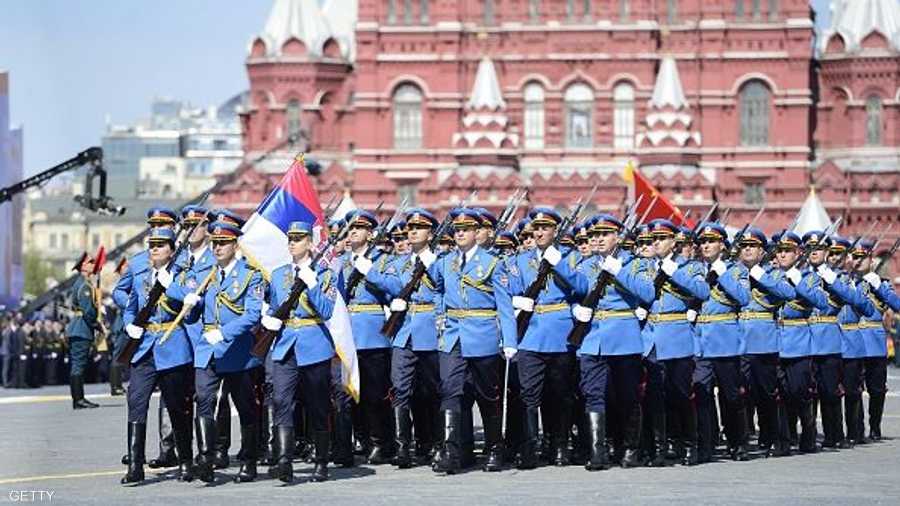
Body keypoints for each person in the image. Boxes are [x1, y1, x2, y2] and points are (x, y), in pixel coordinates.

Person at [166, 219, 264, 483]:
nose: (218, 247)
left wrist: (225, 332)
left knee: (245, 407)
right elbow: (181, 292)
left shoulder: (249, 275)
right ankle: (206, 459)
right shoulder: (206, 274)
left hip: (236, 349)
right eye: (215, 243)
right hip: (206, 348)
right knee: (204, 401)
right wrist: (188, 299)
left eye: (223, 243)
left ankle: (248, 461)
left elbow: (253, 314)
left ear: (235, 245)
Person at [423, 208, 517, 474]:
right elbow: (436, 288)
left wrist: (509, 340)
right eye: (457, 230)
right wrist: (440, 314)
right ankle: (451, 452)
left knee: (487, 396)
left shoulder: (492, 262)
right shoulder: (445, 261)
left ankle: (494, 448)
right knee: (450, 392)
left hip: (483, 334)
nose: (460, 233)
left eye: (465, 229)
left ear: (477, 233)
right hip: (452, 336)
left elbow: (504, 304)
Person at [558, 214, 654, 470]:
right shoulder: (586, 265)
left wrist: (618, 271)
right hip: (592, 338)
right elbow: (574, 291)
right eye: (594, 236)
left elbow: (648, 293)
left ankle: (630, 449)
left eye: (604, 235)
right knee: (593, 394)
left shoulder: (635, 264)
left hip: (624, 337)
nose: (597, 240)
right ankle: (597, 452)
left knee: (627, 396)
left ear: (617, 238)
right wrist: (576, 308)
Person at [356, 208, 442, 469]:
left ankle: (438, 446)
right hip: (403, 332)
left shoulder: (441, 261)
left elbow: (445, 292)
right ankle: (404, 448)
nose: (412, 232)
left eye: (418, 228)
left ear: (430, 233)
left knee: (433, 391)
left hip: (429, 330)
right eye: (409, 229)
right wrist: (371, 273)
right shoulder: (399, 263)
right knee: (400, 390)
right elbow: (393, 286)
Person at [260, 221, 337, 483]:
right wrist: (269, 319)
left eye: (299, 238)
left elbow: (326, 311)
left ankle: (321, 461)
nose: (293, 243)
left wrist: (312, 284)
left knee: (317, 405)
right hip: (284, 346)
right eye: (290, 238)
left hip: (314, 345)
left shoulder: (325, 274)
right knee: (281, 401)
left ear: (309, 242)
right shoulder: (280, 274)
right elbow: (273, 306)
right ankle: (284, 461)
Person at [508, 207, 581, 469]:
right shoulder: (520, 260)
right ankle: (529, 447)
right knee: (529, 394)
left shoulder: (569, 257)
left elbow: (581, 287)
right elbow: (511, 289)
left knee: (559, 393)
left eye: (545, 228)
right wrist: (517, 300)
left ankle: (559, 445)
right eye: (535, 229)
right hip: (528, 334)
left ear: (555, 231)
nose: (539, 233)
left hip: (559, 333)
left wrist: (558, 262)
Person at [121, 228, 195, 484]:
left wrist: (169, 285)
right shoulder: (142, 278)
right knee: (136, 403)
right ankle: (134, 465)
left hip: (171, 345)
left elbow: (189, 299)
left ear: (172, 251)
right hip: (144, 349)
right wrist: (129, 323)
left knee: (177, 407)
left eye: (161, 245)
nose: (154, 249)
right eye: (152, 244)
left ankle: (186, 460)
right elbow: (130, 307)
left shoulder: (183, 276)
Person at [641, 219, 709, 466]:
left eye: (661, 239)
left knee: (681, 394)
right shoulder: (645, 267)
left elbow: (703, 293)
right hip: (650, 337)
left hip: (677, 335)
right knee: (655, 396)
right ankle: (662, 448)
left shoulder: (690, 268)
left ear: (673, 242)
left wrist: (673, 272)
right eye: (653, 239)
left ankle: (690, 445)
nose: (656, 243)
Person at [339, 209, 396, 465]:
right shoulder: (342, 263)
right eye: (350, 229)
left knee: (375, 395)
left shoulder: (382, 261)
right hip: (347, 335)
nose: (352, 233)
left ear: (370, 234)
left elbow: (395, 291)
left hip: (372, 337)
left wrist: (370, 272)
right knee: (353, 394)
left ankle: (381, 442)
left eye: (358, 229)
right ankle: (361, 439)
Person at [692, 222, 751, 462]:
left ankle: (737, 442)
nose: (706, 246)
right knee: (702, 393)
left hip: (725, 339)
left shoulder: (736, 271)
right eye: (703, 242)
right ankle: (706, 445)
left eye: (711, 242)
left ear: (722, 246)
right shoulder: (694, 270)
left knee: (731, 396)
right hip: (700, 339)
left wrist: (721, 273)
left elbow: (744, 297)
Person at [736, 228, 795, 456]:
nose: (747, 249)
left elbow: (788, 293)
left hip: (762, 339)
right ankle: (741, 441)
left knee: (766, 393)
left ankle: (771, 437)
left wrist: (760, 276)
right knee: (739, 394)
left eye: (752, 246)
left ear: (762, 252)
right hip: (737, 337)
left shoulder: (774, 274)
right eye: (744, 246)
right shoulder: (733, 273)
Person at [773, 231, 828, 454]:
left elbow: (821, 302)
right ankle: (784, 441)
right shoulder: (771, 275)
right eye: (780, 250)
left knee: (799, 392)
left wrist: (797, 281)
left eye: (788, 251)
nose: (783, 254)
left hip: (798, 341)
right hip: (774, 340)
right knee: (780, 394)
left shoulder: (809, 278)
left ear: (798, 254)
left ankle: (808, 432)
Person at [67, 252, 100, 409]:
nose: (93, 265)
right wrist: (96, 324)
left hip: (77, 327)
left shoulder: (80, 283)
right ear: (83, 266)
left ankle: (78, 398)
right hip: (82, 328)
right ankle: (79, 399)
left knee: (76, 364)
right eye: (90, 262)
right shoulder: (85, 286)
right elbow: (88, 310)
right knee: (78, 365)